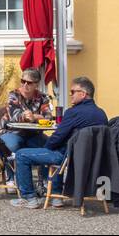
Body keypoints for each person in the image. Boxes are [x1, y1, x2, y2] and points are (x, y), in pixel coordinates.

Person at [10, 76, 107, 208]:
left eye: (73, 92)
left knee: (22, 154)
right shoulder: (101, 113)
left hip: (68, 157)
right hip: (91, 159)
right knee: (55, 149)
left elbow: (58, 137)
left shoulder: (73, 112)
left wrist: (46, 147)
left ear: (83, 94)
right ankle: (56, 197)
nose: (70, 95)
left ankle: (29, 198)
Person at [0, 68, 54, 155]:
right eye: (23, 81)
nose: (25, 85)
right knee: (15, 145)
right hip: (12, 131)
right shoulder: (14, 95)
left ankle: (43, 168)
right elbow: (14, 116)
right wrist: (26, 116)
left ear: (36, 84)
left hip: (33, 134)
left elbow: (48, 117)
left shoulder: (43, 98)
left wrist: (34, 117)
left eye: (29, 83)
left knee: (49, 147)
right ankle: (15, 168)